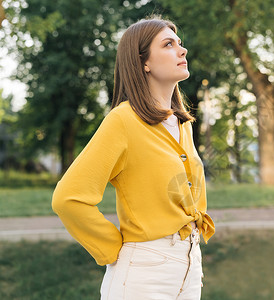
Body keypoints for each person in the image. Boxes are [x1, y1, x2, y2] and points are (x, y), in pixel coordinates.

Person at [52, 15, 215, 300]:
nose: (182, 50)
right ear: (144, 63)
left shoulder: (183, 124)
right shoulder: (123, 121)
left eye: (180, 43)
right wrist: (114, 248)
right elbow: (69, 198)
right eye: (168, 44)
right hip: (144, 271)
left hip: (190, 264)